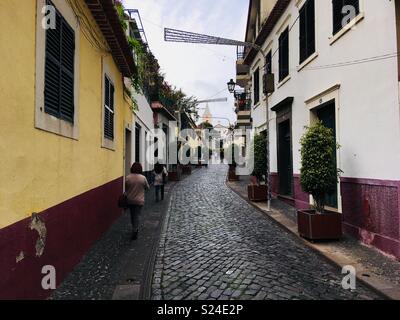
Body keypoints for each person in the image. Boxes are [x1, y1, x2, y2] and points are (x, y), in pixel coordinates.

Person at [125, 163, 149, 240]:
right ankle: (135, 230)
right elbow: (147, 188)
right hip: (139, 201)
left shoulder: (128, 177)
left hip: (130, 200)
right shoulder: (143, 178)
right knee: (137, 215)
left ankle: (134, 228)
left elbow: (126, 187)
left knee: (132, 215)